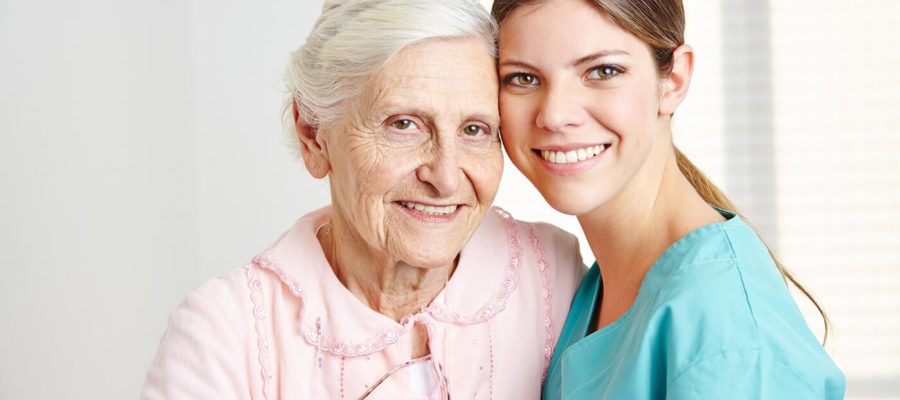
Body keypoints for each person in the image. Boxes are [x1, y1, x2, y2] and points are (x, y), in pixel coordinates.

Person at [141, 0, 584, 398]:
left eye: (475, 130)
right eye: (403, 124)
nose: (446, 179)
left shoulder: (553, 276)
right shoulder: (223, 333)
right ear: (313, 134)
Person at [491, 0, 846, 398]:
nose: (554, 114)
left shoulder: (728, 334)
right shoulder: (586, 287)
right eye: (522, 78)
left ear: (674, 80)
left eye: (603, 71)